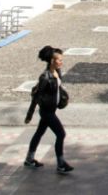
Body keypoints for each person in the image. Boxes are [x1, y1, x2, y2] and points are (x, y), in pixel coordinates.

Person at [24, 46, 74, 174]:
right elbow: (36, 96)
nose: (61, 62)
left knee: (39, 132)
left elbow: (58, 88)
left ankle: (29, 159)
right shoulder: (45, 77)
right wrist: (29, 115)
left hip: (52, 109)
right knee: (61, 134)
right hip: (47, 112)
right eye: (59, 60)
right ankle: (61, 164)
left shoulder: (57, 72)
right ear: (51, 61)